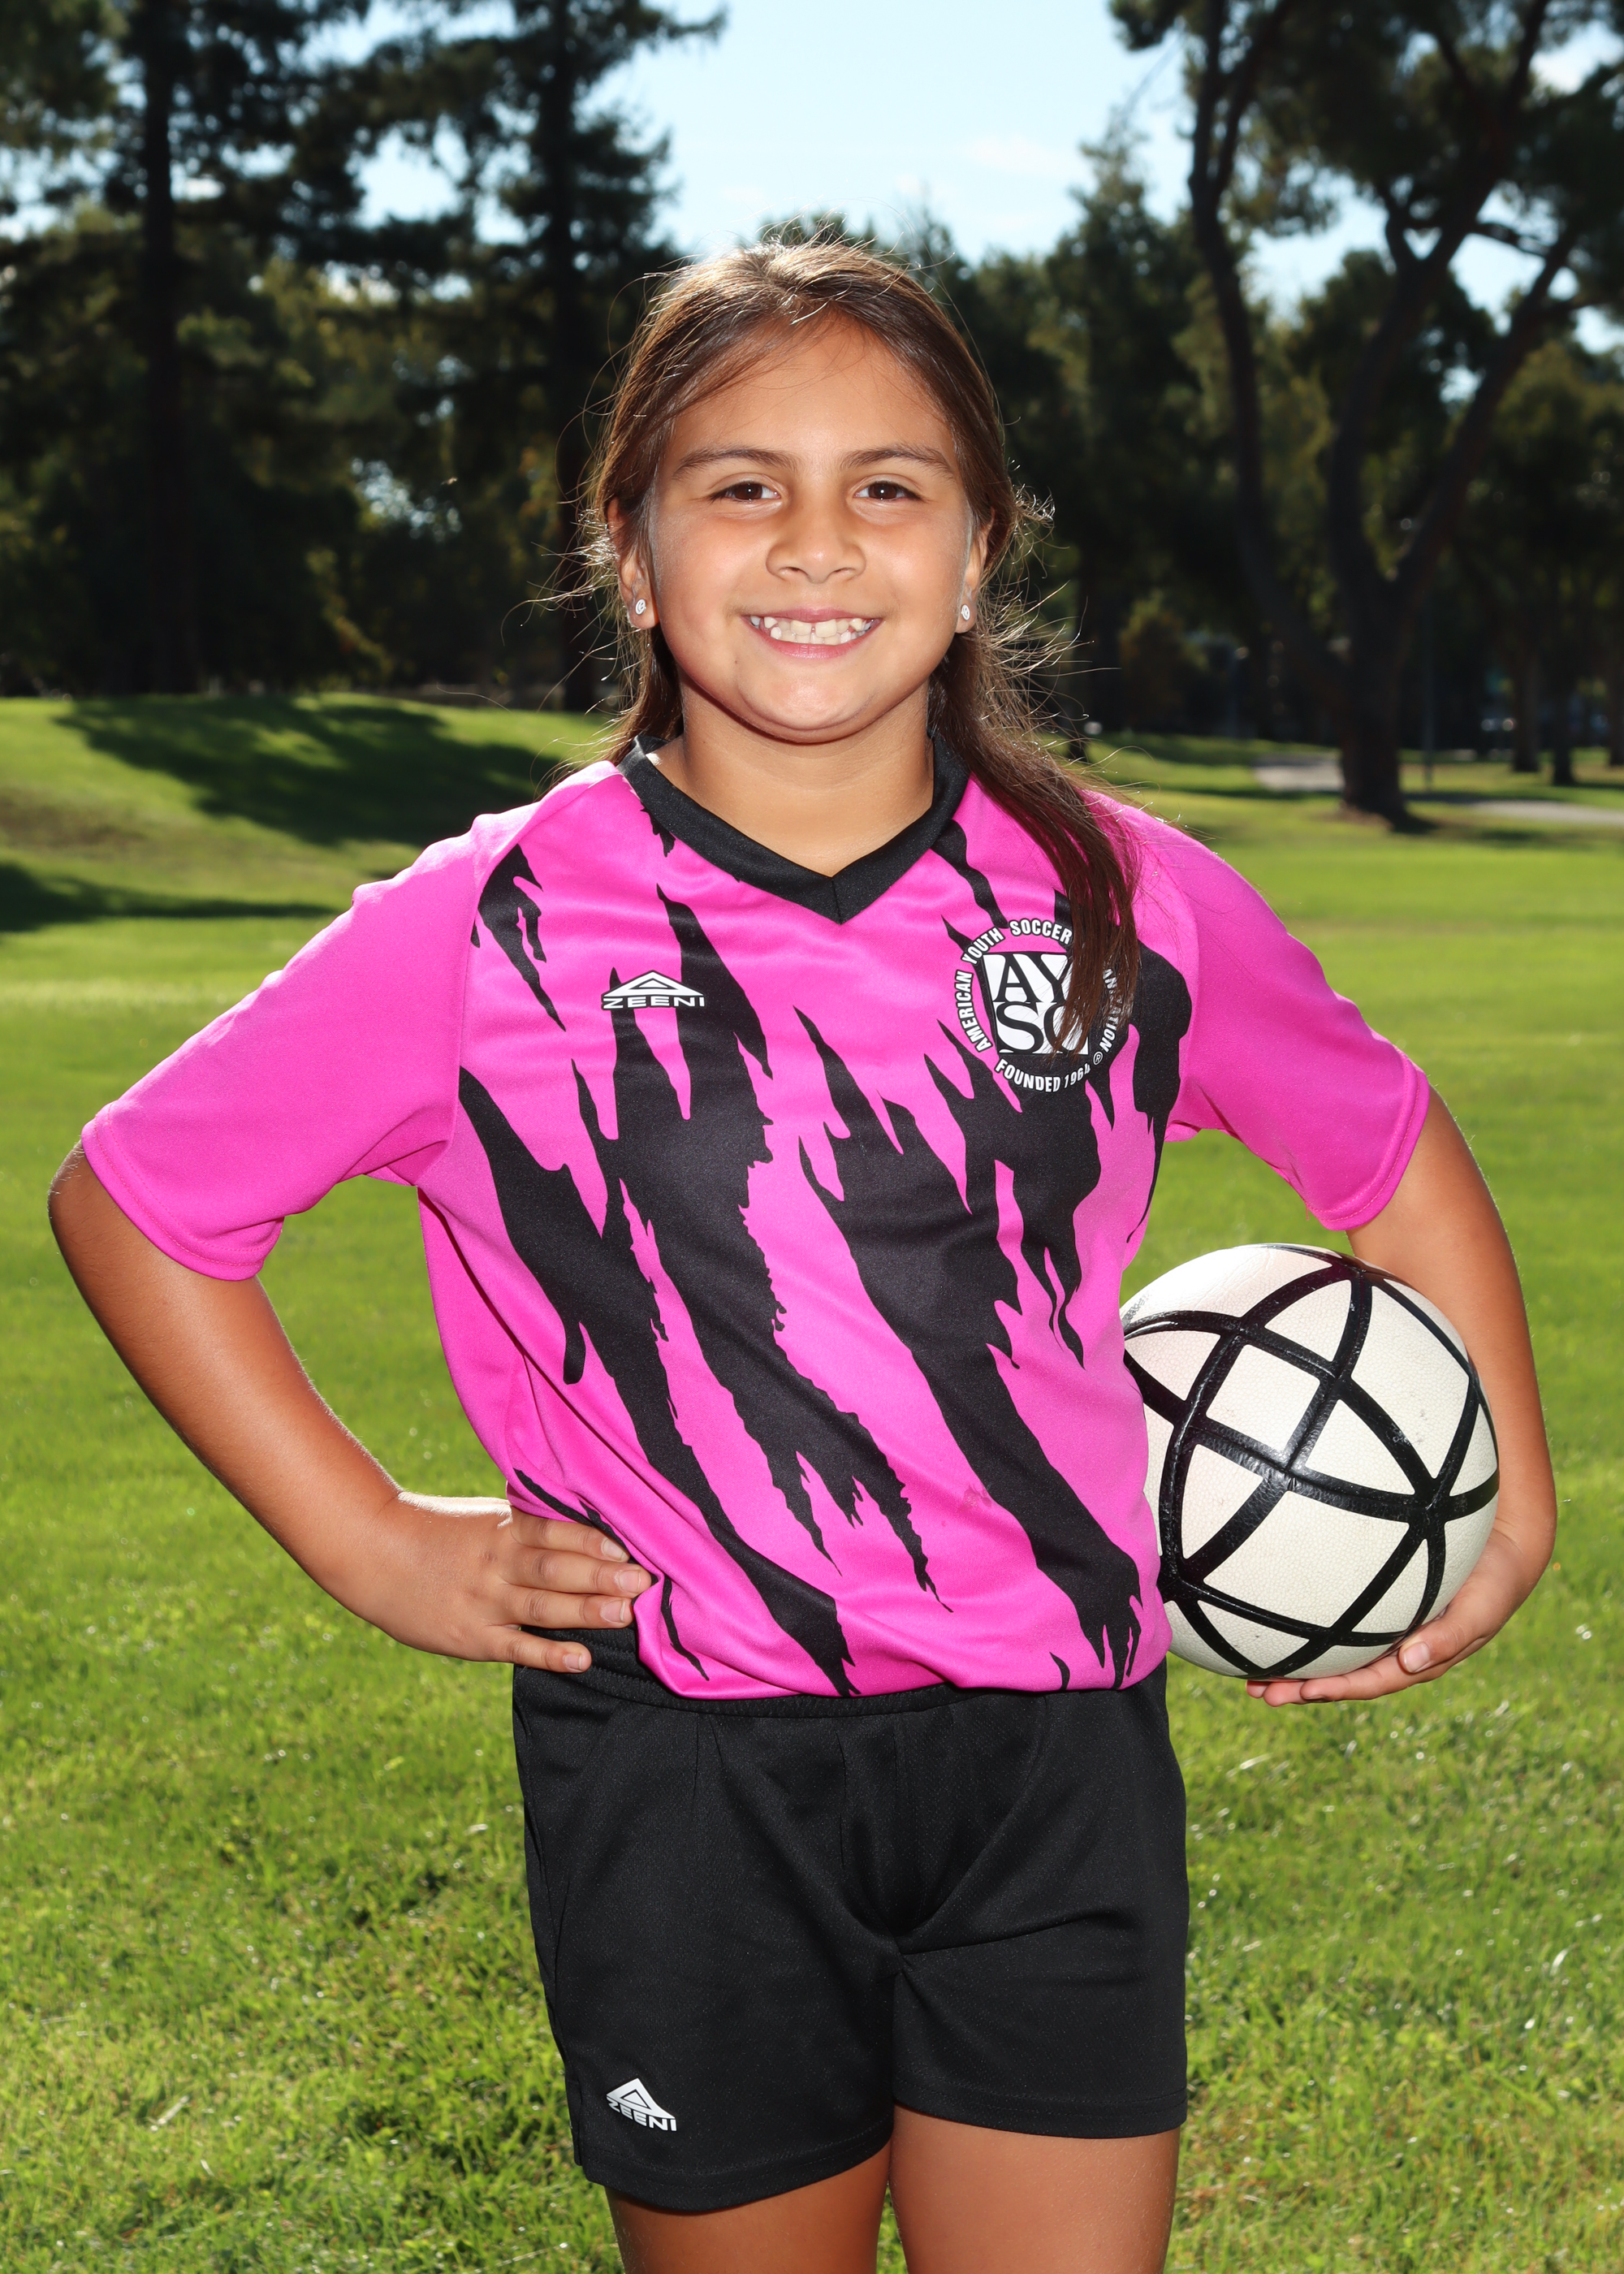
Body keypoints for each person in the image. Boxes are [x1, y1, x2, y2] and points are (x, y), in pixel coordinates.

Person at [49, 242, 1556, 2274]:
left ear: (979, 548)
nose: (816, 542)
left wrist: (1506, 1490)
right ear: (631, 551)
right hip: (685, 1766)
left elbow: (1384, 1147)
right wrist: (372, 1539)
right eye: (741, 484)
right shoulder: (491, 925)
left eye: (889, 485)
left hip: (1058, 1755)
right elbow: (141, 1200)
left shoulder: (1122, 896)